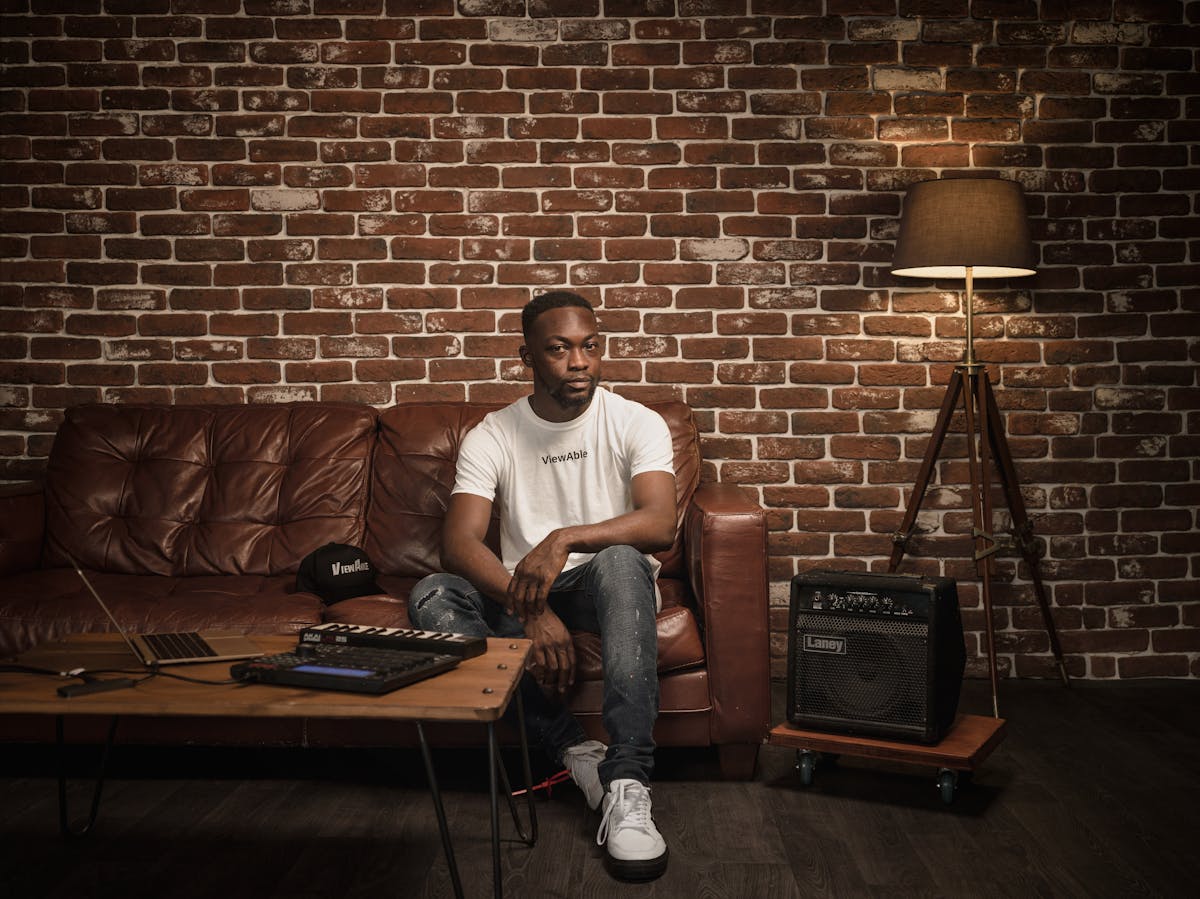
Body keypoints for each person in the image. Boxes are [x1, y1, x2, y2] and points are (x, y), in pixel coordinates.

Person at [408, 290, 677, 882]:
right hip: (524, 593)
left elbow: (660, 523)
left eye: (589, 346)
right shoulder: (495, 432)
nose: (579, 362)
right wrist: (526, 608)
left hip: (606, 582)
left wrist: (564, 539)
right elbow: (459, 544)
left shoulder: (636, 420)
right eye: (558, 349)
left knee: (623, 558)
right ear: (526, 356)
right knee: (432, 592)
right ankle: (577, 753)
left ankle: (629, 781)